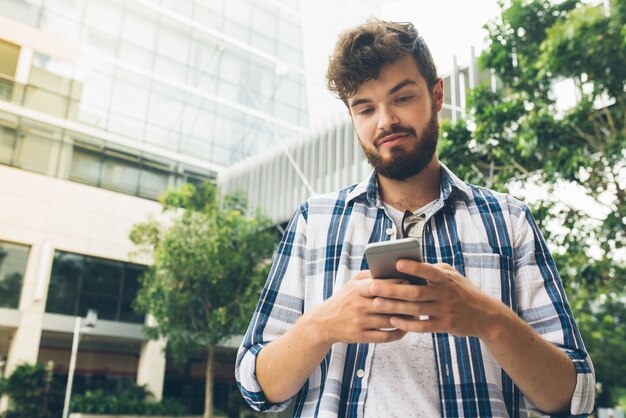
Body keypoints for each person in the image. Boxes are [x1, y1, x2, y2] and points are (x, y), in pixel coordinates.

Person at [235, 19, 595, 418]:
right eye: (366, 108)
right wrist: (321, 325)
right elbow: (257, 387)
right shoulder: (312, 221)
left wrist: (488, 318)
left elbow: (574, 396)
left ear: (436, 94)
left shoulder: (508, 220)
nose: (385, 121)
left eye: (402, 98)